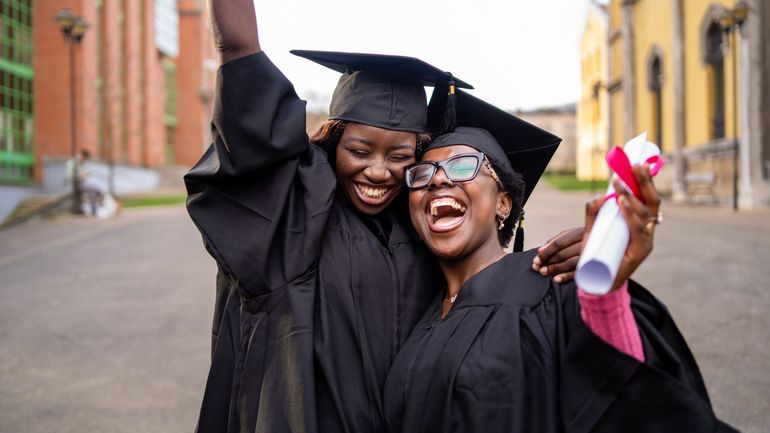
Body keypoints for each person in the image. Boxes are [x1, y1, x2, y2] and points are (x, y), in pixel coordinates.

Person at [184, 1, 582, 432]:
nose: (377, 170)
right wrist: (234, 43)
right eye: (358, 150)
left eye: (400, 156)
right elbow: (243, 69)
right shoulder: (295, 214)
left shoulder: (420, 230)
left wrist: (583, 266)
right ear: (332, 141)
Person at [383, 91, 738, 432]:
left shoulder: (551, 282)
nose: (439, 179)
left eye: (463, 166)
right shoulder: (416, 315)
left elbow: (626, 398)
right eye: (422, 174)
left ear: (504, 204)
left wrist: (605, 294)